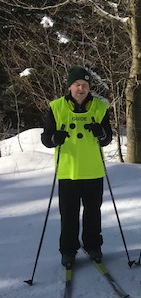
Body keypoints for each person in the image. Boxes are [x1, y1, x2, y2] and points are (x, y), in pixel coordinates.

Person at [41, 66, 113, 267]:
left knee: (93, 211)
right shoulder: (56, 107)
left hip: (93, 170)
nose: (81, 89)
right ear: (69, 87)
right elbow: (46, 138)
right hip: (68, 171)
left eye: (85, 85)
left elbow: (108, 139)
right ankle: (68, 250)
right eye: (77, 85)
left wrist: (101, 133)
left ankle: (93, 246)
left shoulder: (100, 107)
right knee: (69, 214)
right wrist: (55, 138)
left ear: (89, 87)